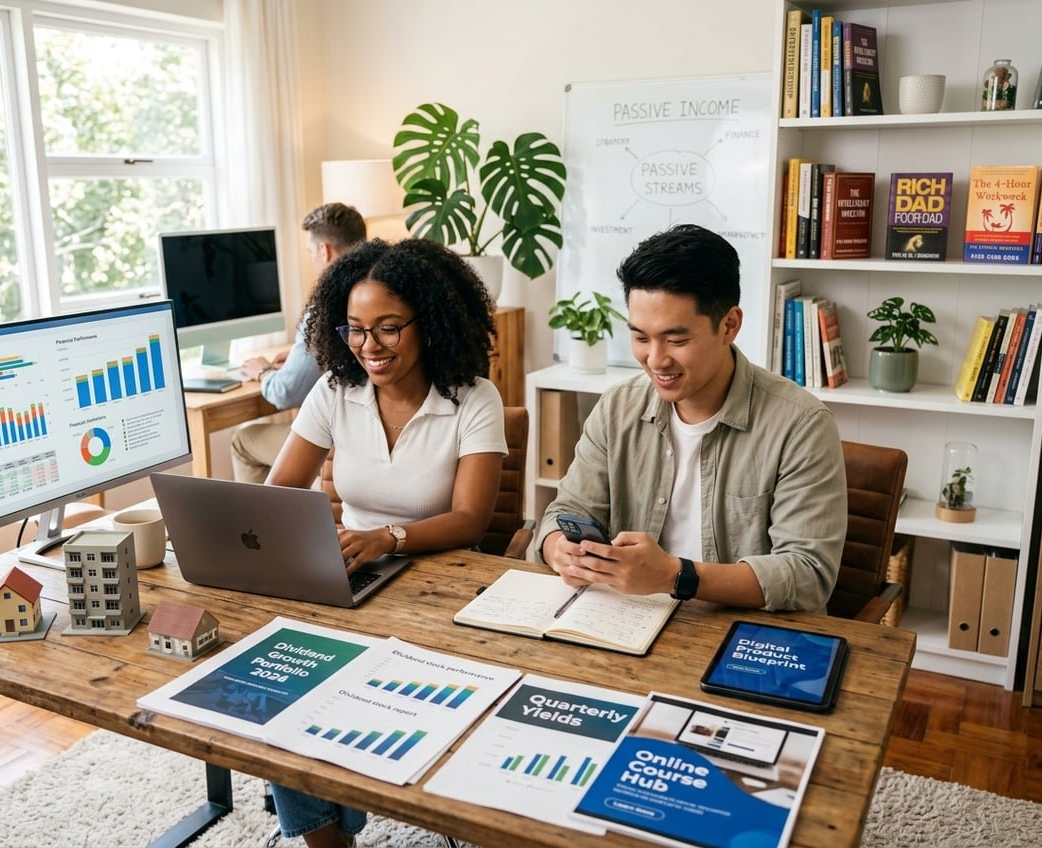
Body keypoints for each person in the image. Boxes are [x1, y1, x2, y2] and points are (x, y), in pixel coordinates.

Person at [265, 237, 507, 848]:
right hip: (351, 572)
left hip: (446, 586)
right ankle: (327, 837)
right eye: (354, 329)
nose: (369, 346)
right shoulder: (334, 391)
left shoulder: (473, 399)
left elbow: (471, 520)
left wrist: (387, 539)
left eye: (388, 328)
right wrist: (312, 537)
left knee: (385, 689)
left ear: (431, 322)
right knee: (287, 681)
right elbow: (280, 490)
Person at [535, 224, 846, 613]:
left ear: (729, 325)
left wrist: (675, 576)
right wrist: (559, 550)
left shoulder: (801, 424)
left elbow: (807, 574)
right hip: (627, 619)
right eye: (641, 338)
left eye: (676, 340)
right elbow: (564, 514)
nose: (656, 360)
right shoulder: (617, 408)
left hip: (744, 630)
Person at [231, 202, 367, 483]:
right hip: (365, 431)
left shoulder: (325, 308)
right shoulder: (378, 293)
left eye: (310, 252)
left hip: (339, 442)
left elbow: (285, 392)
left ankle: (260, 514)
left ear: (323, 250)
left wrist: (262, 371)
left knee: (243, 441)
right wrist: (297, 353)